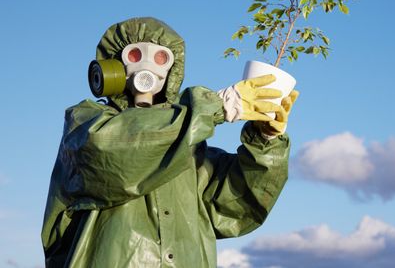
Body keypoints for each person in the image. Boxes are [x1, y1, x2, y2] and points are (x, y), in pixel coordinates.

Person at [41, 17, 298, 267]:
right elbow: (114, 152)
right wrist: (215, 106)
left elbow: (237, 205)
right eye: (134, 55)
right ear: (112, 66)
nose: (148, 66)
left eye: (161, 58)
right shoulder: (86, 125)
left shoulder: (189, 150)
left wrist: (265, 141)